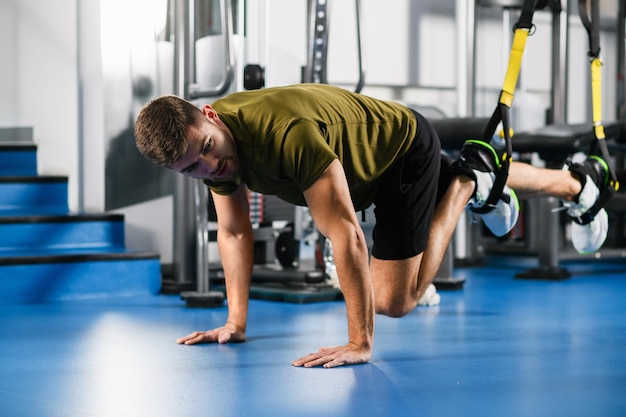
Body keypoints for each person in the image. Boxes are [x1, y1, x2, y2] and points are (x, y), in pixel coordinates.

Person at [134, 84, 610, 368]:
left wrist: (359, 342)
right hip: (367, 164)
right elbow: (235, 232)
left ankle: (466, 182)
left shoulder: (284, 135)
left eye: (210, 148)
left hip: (400, 152)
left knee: (394, 301)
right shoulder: (216, 158)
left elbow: (345, 233)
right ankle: (578, 183)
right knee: (398, 272)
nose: (212, 167)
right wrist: (235, 323)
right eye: (194, 168)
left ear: (211, 118)